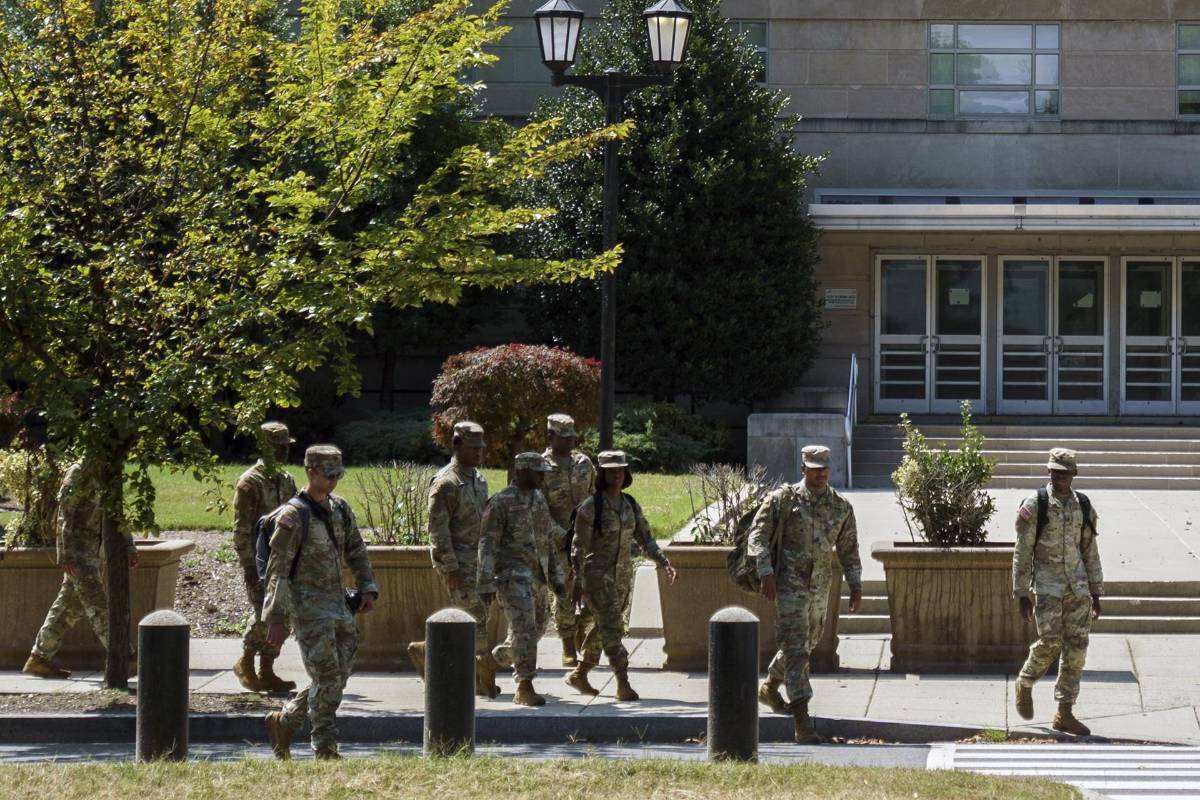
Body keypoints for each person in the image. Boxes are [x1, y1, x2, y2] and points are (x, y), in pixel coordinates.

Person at [261, 445, 377, 760]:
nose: (334, 481)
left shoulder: (340, 508)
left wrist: (367, 587)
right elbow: (278, 571)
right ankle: (324, 748)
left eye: (338, 474)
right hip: (308, 611)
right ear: (310, 471)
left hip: (340, 607)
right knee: (327, 676)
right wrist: (275, 618)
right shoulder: (293, 516)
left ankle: (284, 722)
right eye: (328, 475)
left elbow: (356, 550)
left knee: (334, 679)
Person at [749, 445, 862, 744]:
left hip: (819, 589)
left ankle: (770, 687)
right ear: (802, 469)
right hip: (788, 587)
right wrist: (765, 572)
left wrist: (856, 584)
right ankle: (802, 723)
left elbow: (849, 549)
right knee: (797, 651)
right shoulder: (783, 500)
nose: (820, 473)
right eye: (814, 468)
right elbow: (757, 536)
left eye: (824, 467)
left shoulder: (840, 506)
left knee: (805, 645)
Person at [566, 450, 676, 701]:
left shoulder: (630, 504)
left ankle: (580, 673)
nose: (616, 475)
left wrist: (663, 561)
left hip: (622, 577)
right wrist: (579, 580)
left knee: (606, 627)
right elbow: (578, 547)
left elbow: (645, 537)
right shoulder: (591, 506)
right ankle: (622, 682)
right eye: (611, 471)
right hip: (598, 577)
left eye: (620, 470)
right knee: (614, 628)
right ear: (602, 474)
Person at [1012, 447, 1103, 736]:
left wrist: (1096, 592)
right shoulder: (1036, 503)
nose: (1058, 477)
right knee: (1050, 642)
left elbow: (1089, 550)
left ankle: (1064, 712)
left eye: (1063, 473)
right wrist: (1022, 592)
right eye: (1054, 472)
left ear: (1073, 475)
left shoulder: (1083, 505)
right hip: (1048, 587)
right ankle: (1025, 681)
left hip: (1077, 587)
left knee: (1077, 648)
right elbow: (1022, 550)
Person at [23, 458, 138, 679]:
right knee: (98, 603)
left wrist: (129, 545)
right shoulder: (78, 472)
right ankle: (125, 656)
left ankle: (39, 658)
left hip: (96, 552)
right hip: (80, 554)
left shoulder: (108, 469)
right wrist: (65, 554)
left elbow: (116, 513)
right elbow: (64, 515)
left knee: (69, 606)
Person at [407, 421, 498, 697]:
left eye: (481, 448)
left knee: (474, 619)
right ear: (457, 445)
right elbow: (437, 528)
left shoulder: (478, 479)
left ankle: (426, 650)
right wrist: (450, 567)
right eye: (472, 448)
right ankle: (480, 681)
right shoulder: (446, 482)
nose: (478, 453)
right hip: (459, 563)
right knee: (476, 617)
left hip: (479, 563)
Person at [478, 452, 567, 706]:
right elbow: (487, 544)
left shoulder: (538, 500)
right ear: (522, 471)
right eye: (539, 472)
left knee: (535, 628)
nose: (543, 477)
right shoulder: (500, 503)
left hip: (536, 578)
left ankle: (489, 662)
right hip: (511, 578)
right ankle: (524, 686)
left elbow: (547, 539)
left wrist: (556, 577)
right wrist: (485, 582)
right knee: (524, 629)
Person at [231, 421, 298, 692]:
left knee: (283, 615)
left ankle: (267, 669)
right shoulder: (250, 483)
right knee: (263, 614)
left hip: (284, 560)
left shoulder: (287, 480)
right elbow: (242, 529)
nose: (285, 452)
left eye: (286, 447)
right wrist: (248, 565)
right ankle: (246, 660)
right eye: (280, 447)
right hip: (260, 561)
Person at [540, 413, 596, 666]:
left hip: (587, 539)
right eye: (564, 438)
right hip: (558, 543)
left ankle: (580, 631)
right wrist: (562, 535)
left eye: (572, 437)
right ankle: (567, 645)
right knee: (563, 592)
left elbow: (596, 497)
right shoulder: (541, 467)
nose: (571, 442)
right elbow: (539, 510)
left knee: (592, 590)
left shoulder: (584, 463)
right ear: (551, 436)